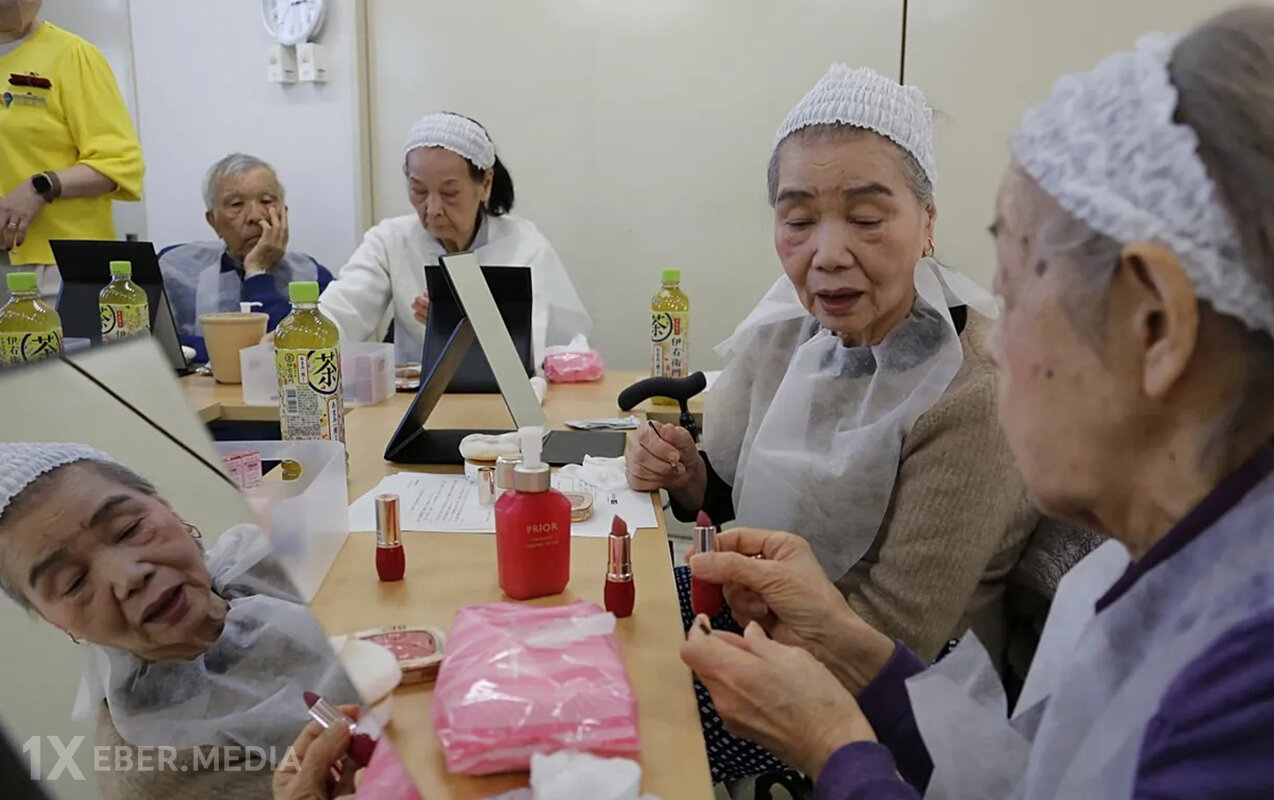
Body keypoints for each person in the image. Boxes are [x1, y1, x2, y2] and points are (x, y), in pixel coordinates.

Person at [680, 7, 1274, 797]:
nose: (995, 341)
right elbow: (1030, 781)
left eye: (1019, 286)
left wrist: (832, 745)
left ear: (1155, 323)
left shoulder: (1239, 688)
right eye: (799, 218)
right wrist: (851, 644)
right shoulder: (1156, 579)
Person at [628, 63, 1035, 783]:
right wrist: (688, 474)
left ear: (928, 221)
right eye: (799, 220)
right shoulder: (788, 334)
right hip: (770, 618)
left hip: (901, 694)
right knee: (603, 638)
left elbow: (887, 639)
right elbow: (733, 501)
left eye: (868, 218)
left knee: (638, 720)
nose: (828, 254)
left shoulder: (972, 394)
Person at [0, 442, 362, 799]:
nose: (129, 577)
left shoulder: (264, 562)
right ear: (60, 624)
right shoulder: (153, 775)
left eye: (128, 529)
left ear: (169, 511)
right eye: (73, 582)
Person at [318, 112, 592, 366]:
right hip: (413, 404)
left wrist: (463, 323)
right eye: (419, 190)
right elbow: (342, 311)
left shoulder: (524, 245)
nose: (433, 208)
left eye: (450, 193)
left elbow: (540, 352)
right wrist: (296, 337)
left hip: (506, 404)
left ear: (485, 184)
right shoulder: (390, 240)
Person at [0, 0, 144, 303]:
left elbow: (120, 162)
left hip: (60, 265)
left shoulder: (72, 55)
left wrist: (39, 187)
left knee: (62, 351)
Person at [159, 153, 334, 364]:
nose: (255, 216)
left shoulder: (313, 276)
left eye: (267, 201)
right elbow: (156, 343)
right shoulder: (172, 268)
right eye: (236, 204)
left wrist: (258, 272)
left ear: (284, 213)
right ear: (213, 221)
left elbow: (293, 353)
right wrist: (244, 351)